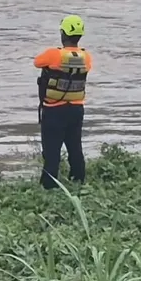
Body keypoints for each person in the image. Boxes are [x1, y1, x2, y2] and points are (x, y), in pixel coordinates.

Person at [34, 14, 92, 190]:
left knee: (52, 153)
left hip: (54, 111)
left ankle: (49, 186)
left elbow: (37, 62)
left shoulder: (53, 54)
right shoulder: (86, 57)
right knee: (75, 147)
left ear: (63, 34)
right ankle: (78, 181)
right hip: (76, 110)